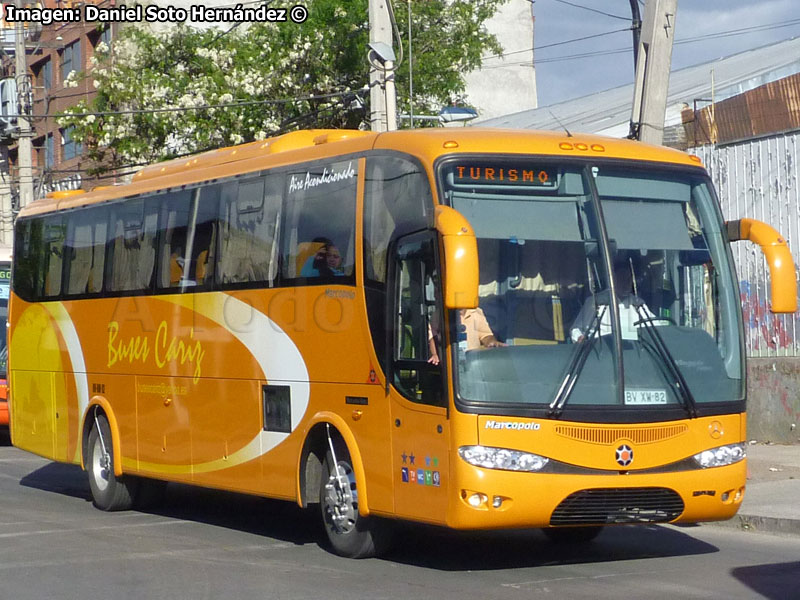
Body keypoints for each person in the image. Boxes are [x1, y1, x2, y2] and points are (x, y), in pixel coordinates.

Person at [570, 260, 656, 342]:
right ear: (612, 280)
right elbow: (576, 329)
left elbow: (656, 326)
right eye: (622, 279)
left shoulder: (638, 304)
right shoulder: (595, 302)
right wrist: (580, 337)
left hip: (633, 352)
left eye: (629, 279)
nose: (626, 284)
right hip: (602, 351)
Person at [427, 307, 504, 365]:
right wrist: (434, 354)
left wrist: (492, 342)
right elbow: (432, 338)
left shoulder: (476, 312)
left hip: (473, 363)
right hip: (450, 366)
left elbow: (485, 335)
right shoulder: (439, 314)